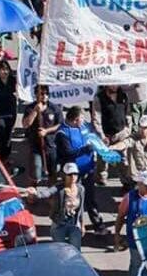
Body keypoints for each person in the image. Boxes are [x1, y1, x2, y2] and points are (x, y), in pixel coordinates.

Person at [55, 106, 106, 234]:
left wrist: (100, 142)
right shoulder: (62, 133)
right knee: (74, 202)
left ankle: (98, 225)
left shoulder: (84, 127)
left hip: (88, 170)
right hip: (73, 174)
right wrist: (84, 149)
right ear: (75, 120)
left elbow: (92, 137)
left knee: (90, 198)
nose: (83, 122)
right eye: (81, 119)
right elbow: (67, 153)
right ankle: (73, 227)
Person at [26, 162, 85, 249]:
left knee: (76, 250)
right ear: (64, 175)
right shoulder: (59, 188)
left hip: (74, 225)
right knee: (59, 250)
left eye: (75, 174)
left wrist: (82, 225)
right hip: (59, 225)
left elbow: (81, 208)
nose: (73, 177)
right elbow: (47, 193)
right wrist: (35, 193)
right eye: (70, 174)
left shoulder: (81, 189)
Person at [91, 85, 132, 187]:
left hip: (121, 133)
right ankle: (101, 178)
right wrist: (101, 135)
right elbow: (96, 117)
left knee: (122, 159)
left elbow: (128, 114)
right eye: (112, 83)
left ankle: (126, 181)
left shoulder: (124, 96)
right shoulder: (99, 98)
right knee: (103, 158)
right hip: (105, 134)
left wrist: (127, 130)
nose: (114, 86)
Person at [21, 85, 63, 185]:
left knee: (53, 172)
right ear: (36, 95)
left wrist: (46, 131)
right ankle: (32, 194)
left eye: (47, 94)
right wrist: (35, 111)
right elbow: (25, 124)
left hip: (51, 145)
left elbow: (60, 124)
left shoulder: (54, 108)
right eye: (42, 94)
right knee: (36, 170)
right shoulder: (30, 108)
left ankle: (50, 193)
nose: (44, 96)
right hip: (36, 146)